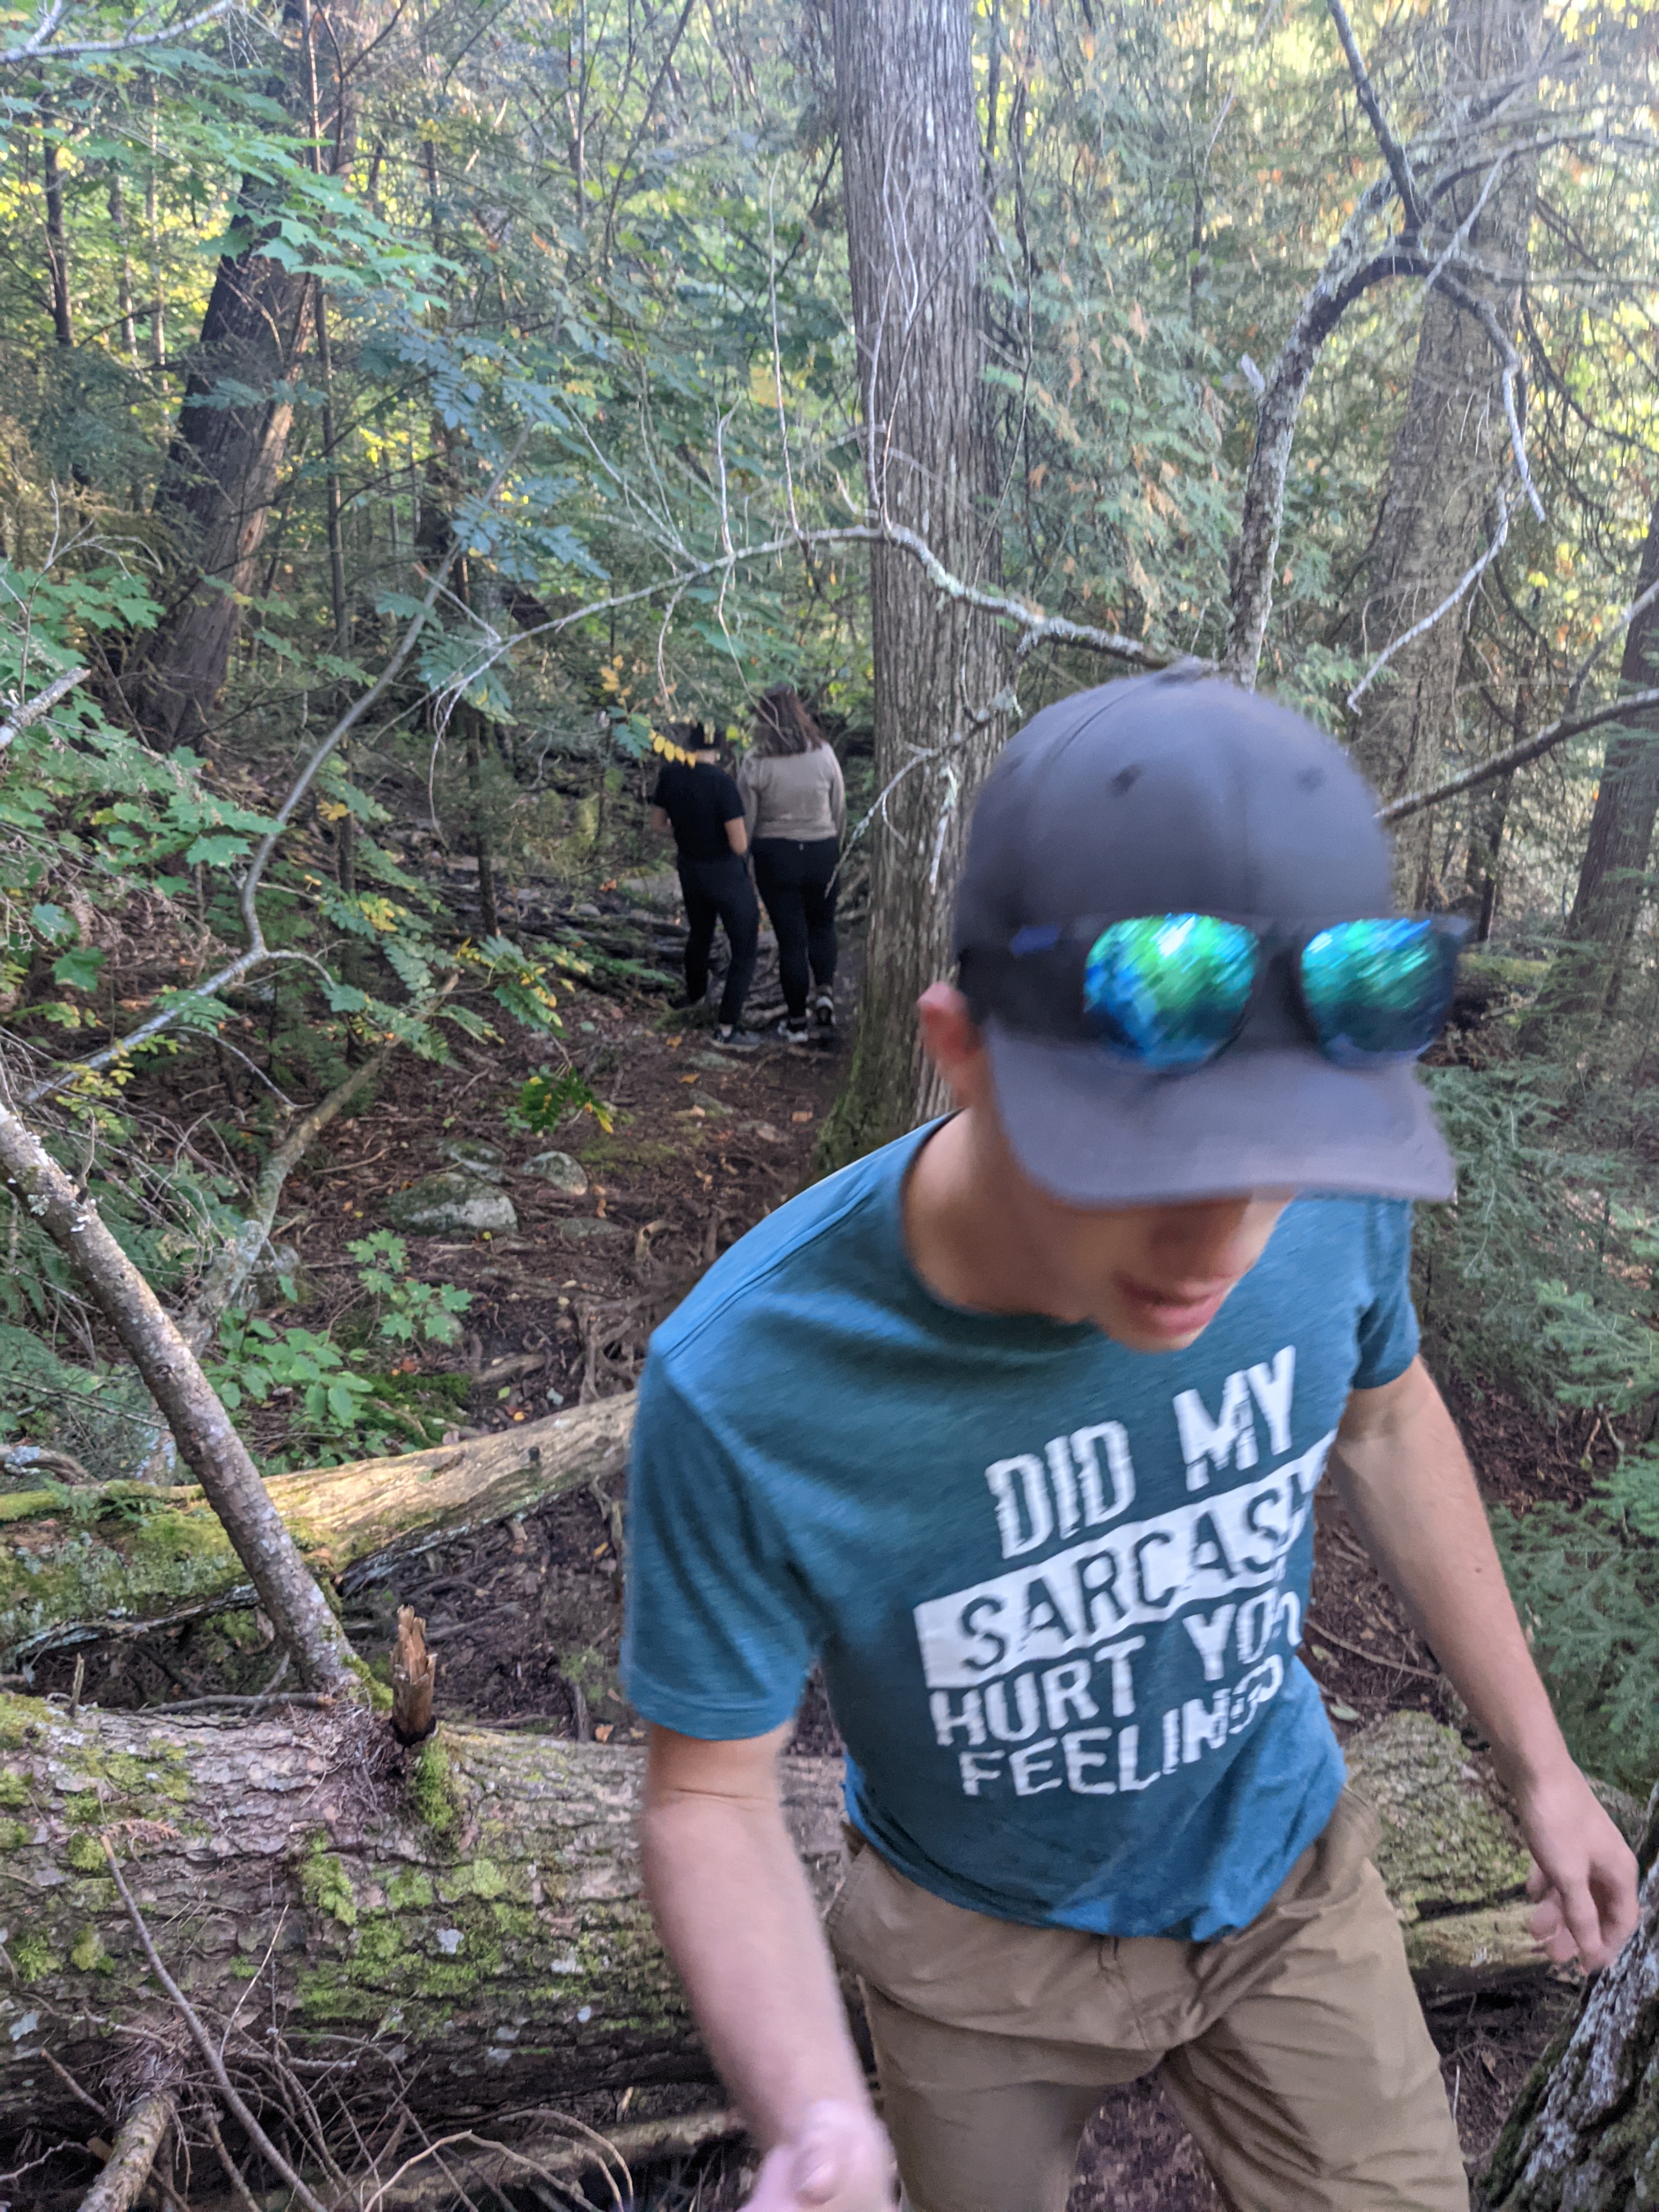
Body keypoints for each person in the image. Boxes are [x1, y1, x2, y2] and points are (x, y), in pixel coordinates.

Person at [624, 669, 1639, 2212]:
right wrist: (813, 2116)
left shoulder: (1333, 1195)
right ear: (962, 1051)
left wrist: (1542, 1766)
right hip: (970, 1946)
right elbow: (708, 1797)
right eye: (1141, 1166)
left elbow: (1386, 1420)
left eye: (1276, 1162)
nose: (1222, 1244)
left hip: (1285, 1876)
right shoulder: (748, 1378)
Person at [739, 685, 846, 1043]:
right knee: (823, 924)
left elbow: (748, 819)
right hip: (822, 850)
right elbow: (839, 807)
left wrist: (746, 861)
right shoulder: (824, 754)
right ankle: (826, 994)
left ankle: (797, 1022)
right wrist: (834, 844)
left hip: (776, 855)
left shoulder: (756, 762)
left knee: (791, 940)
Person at [650, 725, 761, 1050]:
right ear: (720, 748)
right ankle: (727, 1027)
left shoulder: (670, 774)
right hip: (725, 873)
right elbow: (739, 844)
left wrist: (685, 831)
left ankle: (695, 996)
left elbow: (657, 824)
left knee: (700, 933)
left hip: (690, 868)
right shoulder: (721, 783)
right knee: (745, 946)